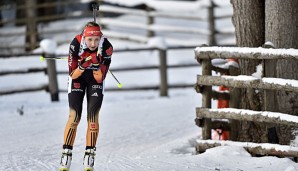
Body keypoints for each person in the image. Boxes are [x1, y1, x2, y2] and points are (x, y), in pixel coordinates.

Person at [59, 21, 113, 171]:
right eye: (90, 39)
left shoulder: (106, 47)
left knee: (93, 117)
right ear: (84, 37)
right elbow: (73, 73)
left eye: (96, 39)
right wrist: (83, 65)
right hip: (78, 77)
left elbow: (99, 79)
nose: (93, 43)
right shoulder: (75, 44)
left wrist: (96, 65)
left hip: (94, 79)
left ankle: (89, 156)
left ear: (100, 37)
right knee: (74, 116)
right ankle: (66, 155)